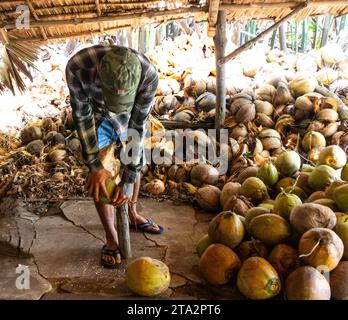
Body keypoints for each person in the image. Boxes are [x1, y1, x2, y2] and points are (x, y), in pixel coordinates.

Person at [66, 45, 164, 269]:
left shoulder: (148, 75)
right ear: (99, 73)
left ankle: (132, 212)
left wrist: (129, 179)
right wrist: (95, 166)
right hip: (97, 115)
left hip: (131, 116)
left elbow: (137, 129)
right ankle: (111, 237)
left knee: (134, 163)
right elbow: (82, 117)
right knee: (101, 176)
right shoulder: (78, 67)